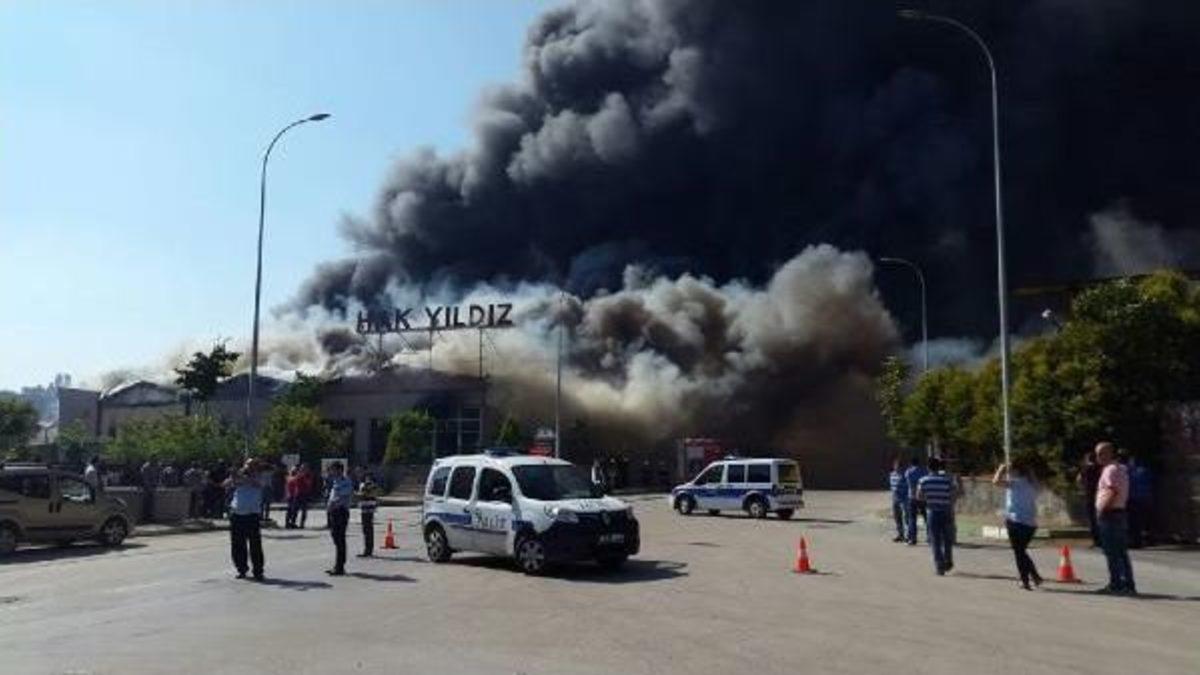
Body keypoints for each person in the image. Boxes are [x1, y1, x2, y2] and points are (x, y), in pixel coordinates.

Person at [992, 458, 1043, 590]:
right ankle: (1034, 576)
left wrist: (1001, 469)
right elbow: (1038, 487)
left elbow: (995, 481)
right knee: (1021, 551)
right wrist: (1031, 472)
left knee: (1019, 553)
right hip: (1030, 524)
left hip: (1015, 521)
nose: (1009, 473)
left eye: (1011, 470)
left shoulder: (1015, 483)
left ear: (1016, 471)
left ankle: (1026, 580)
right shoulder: (1033, 484)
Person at [1094, 442, 1136, 595]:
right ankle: (1127, 584)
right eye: (1097, 454)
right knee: (1120, 551)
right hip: (1118, 512)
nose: (1098, 457)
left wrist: (1102, 509)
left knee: (1112, 552)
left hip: (1110, 513)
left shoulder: (1110, 470)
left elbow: (1112, 491)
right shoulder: (1121, 469)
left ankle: (1117, 584)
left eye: (1101, 453)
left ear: (1110, 453)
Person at [225, 460, 266, 580]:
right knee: (237, 544)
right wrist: (233, 477)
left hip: (252, 514)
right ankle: (241, 569)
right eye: (247, 465)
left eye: (252, 465)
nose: (249, 467)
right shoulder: (239, 476)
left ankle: (258, 571)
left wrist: (242, 477)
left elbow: (256, 484)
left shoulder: (260, 477)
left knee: (255, 544)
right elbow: (226, 484)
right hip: (237, 513)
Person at [916, 457, 956, 575]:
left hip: (932, 512)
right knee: (947, 539)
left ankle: (940, 566)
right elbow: (953, 494)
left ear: (928, 467)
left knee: (935, 540)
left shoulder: (923, 480)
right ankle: (948, 561)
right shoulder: (947, 480)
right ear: (939, 467)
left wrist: (929, 498)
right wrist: (948, 503)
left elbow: (919, 496)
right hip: (946, 511)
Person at [325, 461, 354, 575]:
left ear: (339, 470)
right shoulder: (334, 481)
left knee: (340, 538)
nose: (331, 471)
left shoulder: (346, 481)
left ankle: (339, 566)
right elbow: (332, 496)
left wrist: (333, 503)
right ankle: (339, 564)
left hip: (341, 511)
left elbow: (343, 495)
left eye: (333, 469)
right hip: (334, 512)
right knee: (335, 536)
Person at [1076, 451, 1102, 547]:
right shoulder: (1100, 468)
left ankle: (1096, 541)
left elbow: (1078, 480)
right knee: (1100, 518)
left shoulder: (1085, 469)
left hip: (1089, 496)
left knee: (1092, 520)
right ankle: (1103, 538)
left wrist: (1083, 488)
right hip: (1099, 495)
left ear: (1087, 459)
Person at [1128, 456, 1153, 549]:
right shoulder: (1146, 471)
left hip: (1134, 498)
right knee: (1145, 520)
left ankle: (1136, 541)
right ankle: (1148, 539)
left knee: (1135, 522)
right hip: (1146, 497)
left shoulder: (1131, 472)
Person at [903, 456, 928, 545]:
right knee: (926, 517)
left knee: (912, 518)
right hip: (923, 497)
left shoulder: (908, 472)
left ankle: (913, 538)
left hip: (912, 496)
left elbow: (906, 480)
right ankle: (930, 537)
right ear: (918, 463)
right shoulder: (924, 471)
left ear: (911, 463)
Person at [356, 474, 381, 558]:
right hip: (364, 509)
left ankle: (368, 550)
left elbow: (368, 494)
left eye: (368, 477)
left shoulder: (372, 486)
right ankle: (367, 549)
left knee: (368, 530)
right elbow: (362, 494)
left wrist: (361, 493)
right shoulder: (363, 485)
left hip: (369, 509)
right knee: (366, 530)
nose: (367, 479)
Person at [888, 458, 907, 542]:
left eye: (899, 466)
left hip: (904, 499)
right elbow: (892, 487)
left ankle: (907, 535)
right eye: (896, 466)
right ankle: (900, 534)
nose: (897, 467)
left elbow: (908, 486)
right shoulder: (892, 474)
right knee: (897, 517)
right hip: (895, 498)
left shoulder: (905, 475)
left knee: (905, 518)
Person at [139, 459, 161, 523]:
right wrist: (149, 487)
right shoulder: (146, 467)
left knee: (152, 503)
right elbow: (145, 478)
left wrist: (157, 484)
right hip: (147, 488)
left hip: (153, 487)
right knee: (146, 503)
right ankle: (145, 517)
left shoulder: (156, 466)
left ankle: (151, 517)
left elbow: (158, 477)